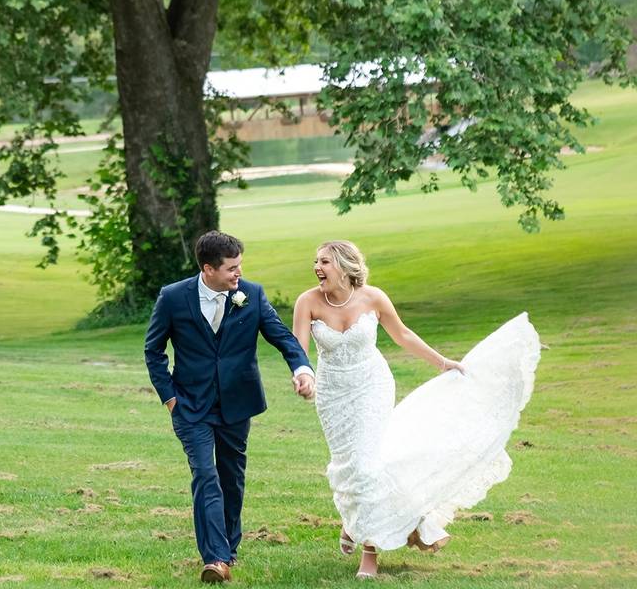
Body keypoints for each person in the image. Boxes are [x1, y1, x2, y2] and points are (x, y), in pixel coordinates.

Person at [292, 240, 540, 579]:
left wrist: (441, 362)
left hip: (372, 387)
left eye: (324, 261)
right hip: (334, 394)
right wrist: (303, 377)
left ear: (345, 265)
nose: (317, 267)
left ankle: (369, 551)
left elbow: (402, 334)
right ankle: (353, 523)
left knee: (367, 466)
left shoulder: (373, 297)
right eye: (315, 262)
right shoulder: (307, 302)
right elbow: (299, 351)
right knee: (349, 466)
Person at [144, 230, 315, 583]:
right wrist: (170, 397)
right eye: (231, 268)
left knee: (231, 479)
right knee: (205, 475)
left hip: (238, 403)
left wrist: (301, 368)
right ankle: (215, 559)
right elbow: (154, 351)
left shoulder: (250, 294)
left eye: (240, 266)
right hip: (190, 405)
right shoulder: (173, 297)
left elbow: (282, 336)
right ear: (208, 268)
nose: (239, 274)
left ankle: (229, 550)